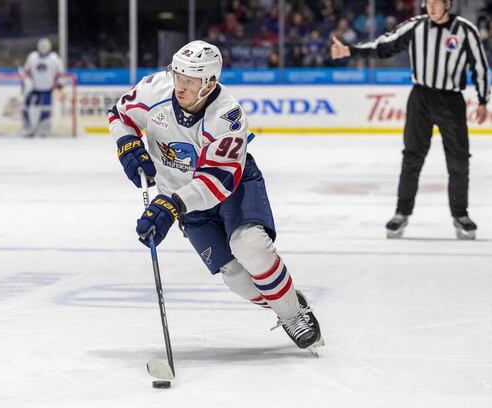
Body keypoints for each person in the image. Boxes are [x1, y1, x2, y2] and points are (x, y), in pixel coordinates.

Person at [109, 40, 323, 353]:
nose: (180, 87)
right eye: (178, 76)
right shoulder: (154, 90)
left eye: (190, 81)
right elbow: (119, 114)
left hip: (231, 187)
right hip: (181, 198)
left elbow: (218, 179)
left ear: (209, 83)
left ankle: (292, 313)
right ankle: (286, 299)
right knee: (235, 277)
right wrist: (127, 145)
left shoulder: (227, 116)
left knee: (249, 246)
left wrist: (171, 204)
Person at [331, 0, 490, 240]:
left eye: (437, 3)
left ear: (448, 4)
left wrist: (482, 101)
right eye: (429, 3)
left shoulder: (465, 30)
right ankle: (401, 213)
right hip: (421, 99)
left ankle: (460, 214)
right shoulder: (415, 26)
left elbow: (479, 67)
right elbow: (384, 45)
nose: (432, 7)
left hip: (451, 101)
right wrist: (351, 50)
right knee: (412, 157)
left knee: (458, 161)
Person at [21, 38, 65, 137]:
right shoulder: (32, 57)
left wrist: (60, 85)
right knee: (25, 107)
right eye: (42, 46)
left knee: (46, 109)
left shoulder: (54, 58)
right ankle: (27, 128)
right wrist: (26, 83)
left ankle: (44, 129)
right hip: (33, 88)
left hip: (47, 89)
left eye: (45, 46)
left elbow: (60, 73)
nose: (43, 48)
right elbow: (26, 71)